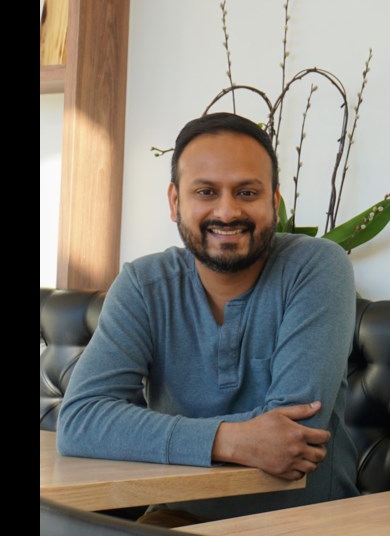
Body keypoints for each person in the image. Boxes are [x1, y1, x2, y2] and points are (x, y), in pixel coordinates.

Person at [58, 112, 359, 522]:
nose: (227, 211)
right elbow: (81, 419)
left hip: (306, 523)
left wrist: (139, 432)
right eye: (206, 191)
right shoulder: (143, 285)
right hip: (177, 517)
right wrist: (228, 439)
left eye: (247, 192)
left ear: (274, 202)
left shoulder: (317, 267)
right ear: (175, 202)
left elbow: (292, 435)